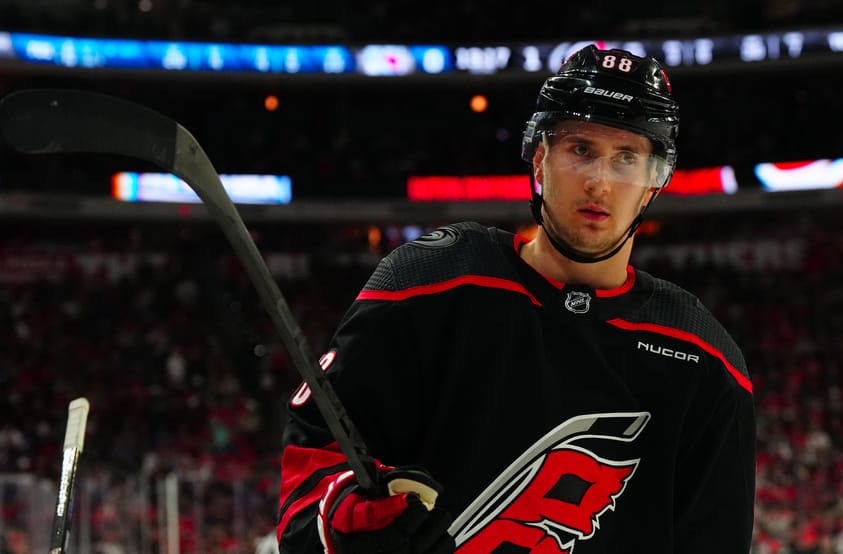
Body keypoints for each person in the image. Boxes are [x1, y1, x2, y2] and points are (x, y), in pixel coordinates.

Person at [276, 44, 756, 553]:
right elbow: (314, 461)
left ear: (653, 183)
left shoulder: (706, 364)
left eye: (626, 158)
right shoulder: (430, 284)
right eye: (580, 149)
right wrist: (344, 516)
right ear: (541, 158)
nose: (598, 180)